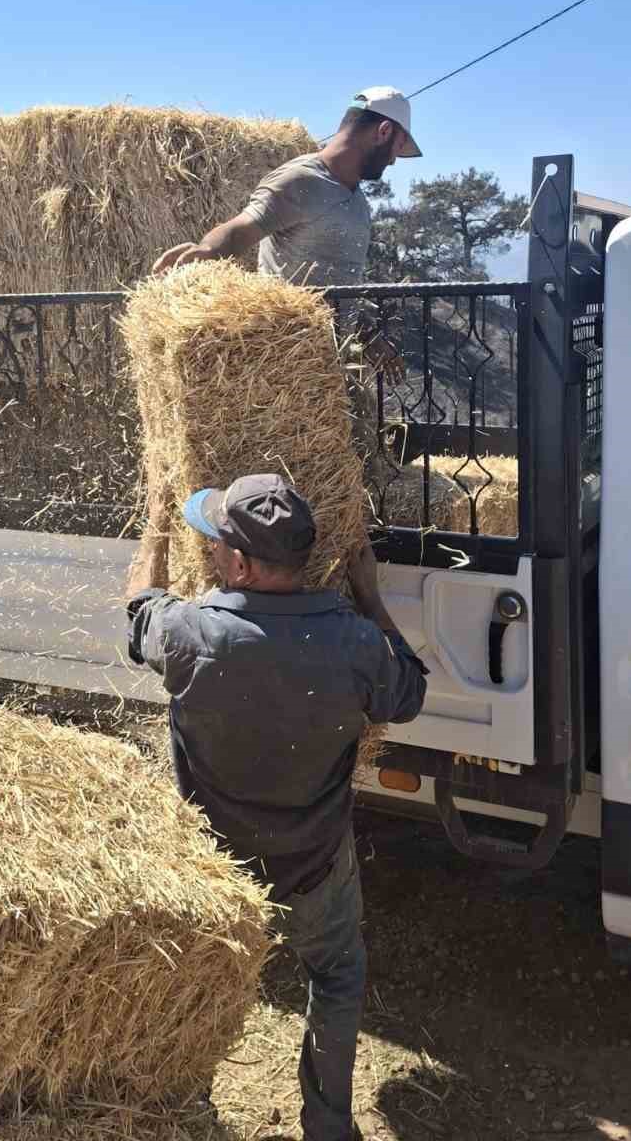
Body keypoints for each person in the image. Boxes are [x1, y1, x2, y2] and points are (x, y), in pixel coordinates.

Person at [127, 473, 427, 1141]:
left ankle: (190, 1108)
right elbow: (407, 694)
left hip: (215, 870)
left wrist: (155, 528)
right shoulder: (354, 643)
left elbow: (138, 606)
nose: (208, 554)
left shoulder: (194, 633)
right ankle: (327, 1127)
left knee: (196, 985)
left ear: (238, 563)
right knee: (338, 976)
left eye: (213, 544)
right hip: (313, 865)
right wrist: (372, 595)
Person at [152, 86, 422, 286]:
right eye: (397, 147)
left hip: (334, 352)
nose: (394, 161)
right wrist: (206, 251)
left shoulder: (359, 201)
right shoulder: (302, 179)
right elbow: (240, 229)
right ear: (383, 131)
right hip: (292, 351)